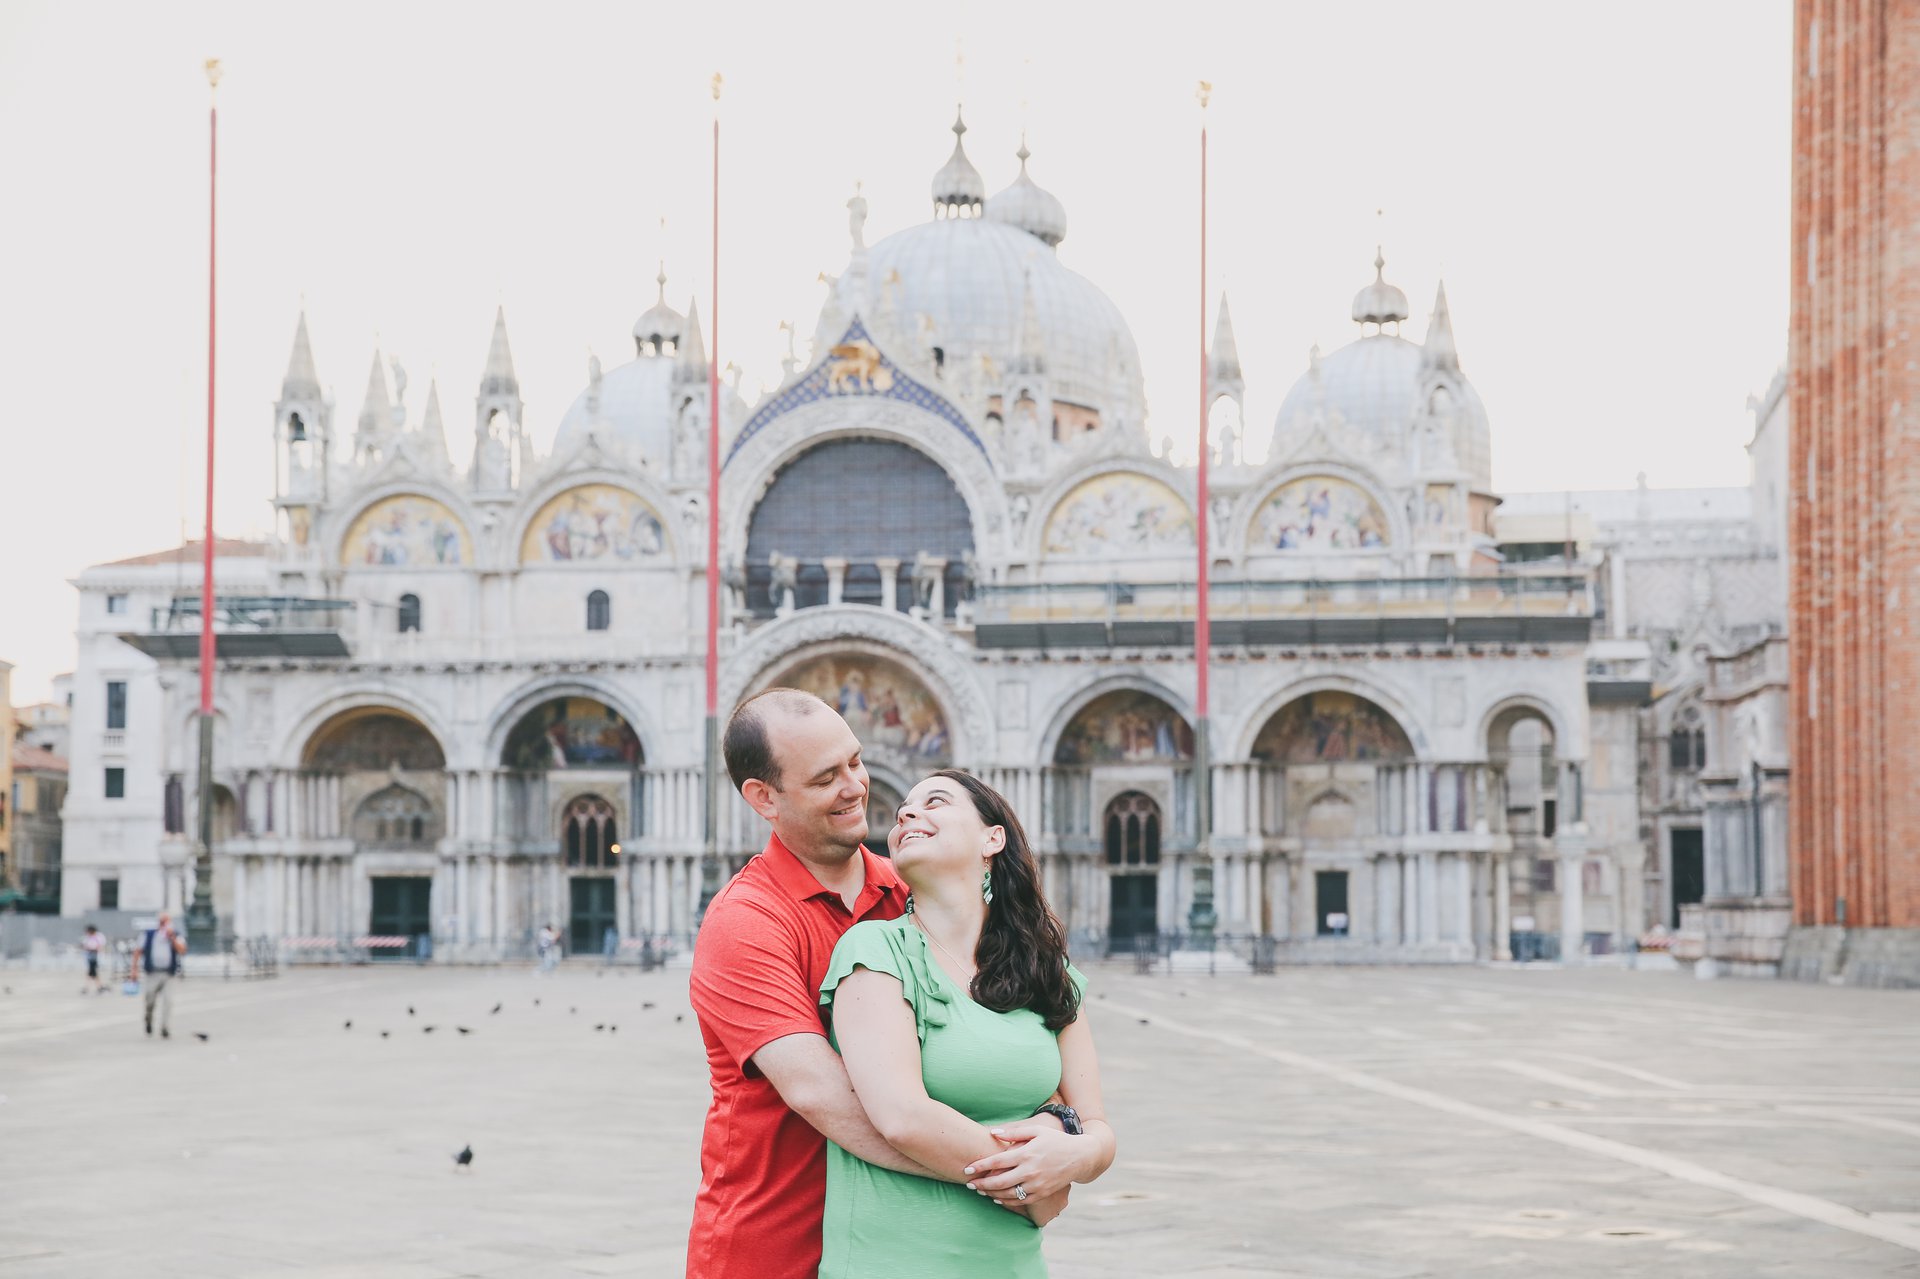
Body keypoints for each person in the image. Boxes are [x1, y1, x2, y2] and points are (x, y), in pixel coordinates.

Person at [687, 691, 1108, 1279]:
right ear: (764, 797)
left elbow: (998, 1051)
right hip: (775, 1245)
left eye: (854, 762)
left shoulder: (914, 895)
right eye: (825, 777)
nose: (856, 786)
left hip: (929, 1241)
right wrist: (1027, 1184)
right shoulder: (745, 921)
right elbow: (834, 1102)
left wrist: (1065, 1132)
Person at [819, 769, 1116, 1277]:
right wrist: (1033, 1191)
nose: (908, 814)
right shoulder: (873, 950)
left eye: (935, 802)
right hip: (893, 1261)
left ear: (992, 837)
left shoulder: (1047, 971)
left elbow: (1098, 1130)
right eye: (902, 812)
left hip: (1012, 1264)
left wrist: (1076, 1158)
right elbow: (902, 1117)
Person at [137, 912, 186, 1038]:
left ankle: (165, 1027)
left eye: (166, 921)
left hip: (169, 974)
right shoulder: (149, 934)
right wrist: (134, 970)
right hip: (152, 973)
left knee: (168, 1001)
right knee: (149, 1000)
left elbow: (182, 950)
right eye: (162, 921)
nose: (164, 923)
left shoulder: (175, 935)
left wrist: (172, 938)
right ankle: (148, 1019)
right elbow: (138, 951)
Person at [81, 925, 105, 995]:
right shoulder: (87, 937)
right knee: (93, 973)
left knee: (92, 972)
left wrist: (93, 949)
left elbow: (100, 946)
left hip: (95, 956)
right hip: (90, 956)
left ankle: (89, 987)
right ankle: (98, 987)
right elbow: (85, 945)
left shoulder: (99, 936)